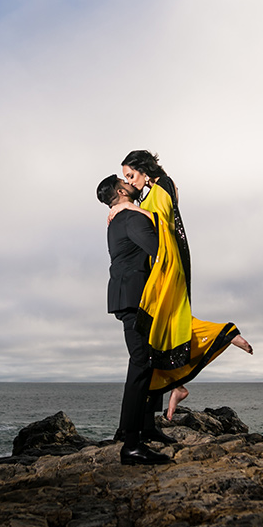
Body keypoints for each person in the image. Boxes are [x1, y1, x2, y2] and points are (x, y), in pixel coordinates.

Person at [110, 150, 252, 420]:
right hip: (162, 262)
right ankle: (176, 386)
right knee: (164, 331)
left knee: (169, 323)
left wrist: (127, 207)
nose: (130, 181)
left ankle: (224, 334)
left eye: (131, 175)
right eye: (125, 178)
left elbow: (162, 224)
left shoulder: (162, 185)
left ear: (143, 169)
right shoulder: (153, 191)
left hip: (168, 262)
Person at [96, 174, 171, 466]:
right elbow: (160, 248)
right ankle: (130, 442)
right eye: (125, 180)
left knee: (149, 360)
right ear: (120, 189)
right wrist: (147, 214)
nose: (131, 182)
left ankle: (147, 427)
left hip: (127, 295)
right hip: (136, 297)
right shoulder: (130, 218)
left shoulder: (119, 219)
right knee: (141, 364)